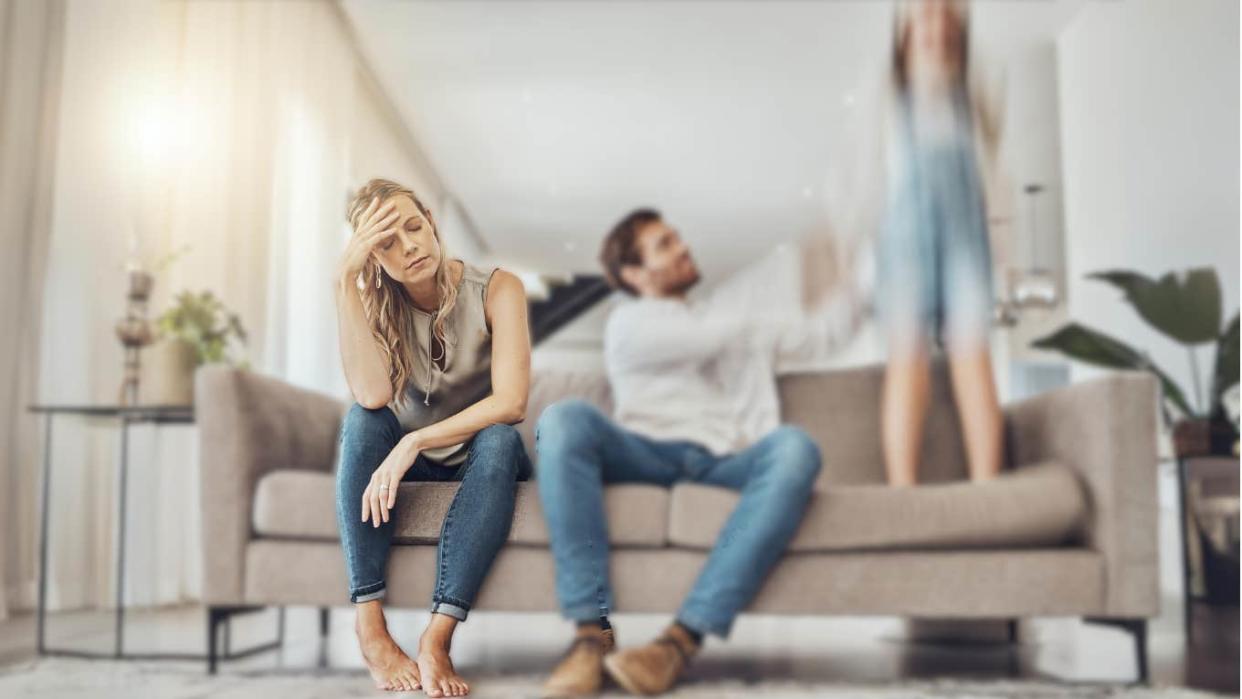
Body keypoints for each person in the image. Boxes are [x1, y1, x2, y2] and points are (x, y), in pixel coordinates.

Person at [537, 209, 865, 697]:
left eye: (677, 238)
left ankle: (677, 642)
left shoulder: (729, 321)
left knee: (796, 448)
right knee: (562, 419)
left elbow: (823, 337)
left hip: (725, 458)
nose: (683, 246)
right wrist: (773, 285)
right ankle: (590, 635)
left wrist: (860, 269)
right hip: (643, 452)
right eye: (665, 244)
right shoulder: (628, 322)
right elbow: (704, 337)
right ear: (634, 273)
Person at [333, 177, 532, 696]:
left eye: (414, 227)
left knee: (501, 439)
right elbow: (373, 397)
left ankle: (436, 639)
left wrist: (413, 442)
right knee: (362, 420)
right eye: (386, 245)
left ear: (432, 223)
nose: (410, 247)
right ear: (374, 261)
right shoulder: (378, 307)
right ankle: (371, 628)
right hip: (415, 462)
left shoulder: (499, 288)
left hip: (481, 456)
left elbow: (511, 402)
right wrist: (344, 283)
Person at [825, 0, 1012, 487]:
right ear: (904, 32)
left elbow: (994, 169)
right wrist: (852, 258)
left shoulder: (972, 96)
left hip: (966, 240)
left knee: (973, 352)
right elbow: (851, 182)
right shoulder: (883, 96)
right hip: (901, 241)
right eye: (926, 18)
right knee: (908, 359)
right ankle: (903, 491)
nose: (938, 29)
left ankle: (987, 490)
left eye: (949, 21)